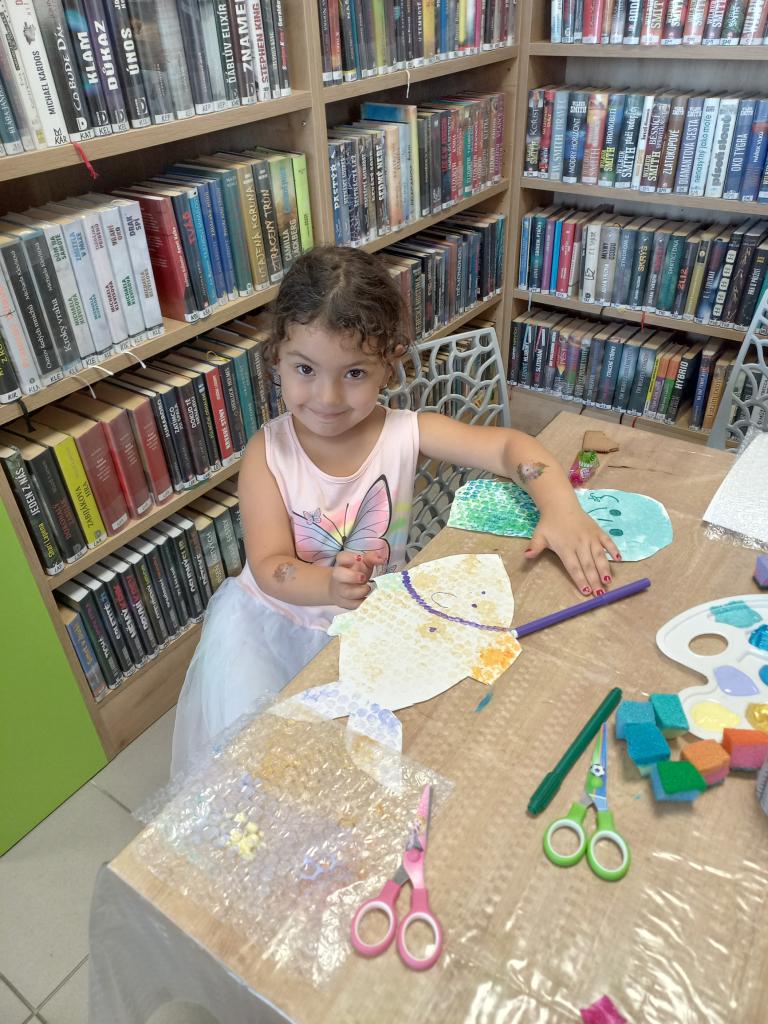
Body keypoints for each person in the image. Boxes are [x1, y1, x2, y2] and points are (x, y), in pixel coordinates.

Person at [170, 246, 620, 777]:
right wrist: (328, 585)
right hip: (274, 630)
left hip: (372, 623)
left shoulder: (407, 431)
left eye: (355, 372)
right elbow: (270, 567)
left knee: (373, 764)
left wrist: (562, 507)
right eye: (305, 369)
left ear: (390, 364)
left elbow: (508, 448)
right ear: (277, 361)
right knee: (268, 770)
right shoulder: (266, 453)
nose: (327, 397)